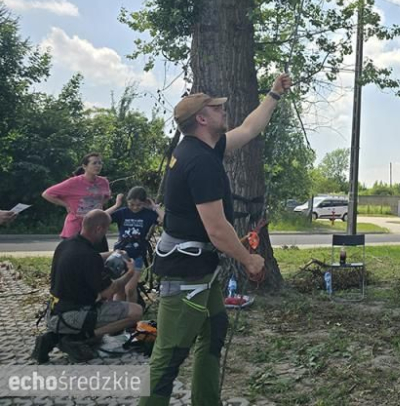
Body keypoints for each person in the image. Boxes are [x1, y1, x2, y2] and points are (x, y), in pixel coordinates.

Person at [140, 74, 292, 406]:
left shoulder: (203, 149)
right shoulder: (199, 162)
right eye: (217, 107)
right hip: (186, 272)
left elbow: (251, 129)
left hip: (200, 270)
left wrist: (274, 94)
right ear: (202, 118)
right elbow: (218, 229)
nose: (225, 111)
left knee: (213, 332)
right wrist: (249, 259)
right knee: (169, 355)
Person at [31, 210, 143, 363]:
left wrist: (113, 252)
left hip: (53, 312)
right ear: (99, 229)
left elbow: (90, 258)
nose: (105, 233)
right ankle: (81, 338)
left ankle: (54, 337)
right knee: (136, 312)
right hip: (73, 315)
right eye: (105, 229)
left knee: (97, 302)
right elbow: (108, 291)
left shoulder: (66, 244)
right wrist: (130, 273)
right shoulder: (88, 257)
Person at [42, 153, 123, 251]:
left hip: (95, 228)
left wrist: (98, 207)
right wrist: (66, 205)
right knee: (76, 260)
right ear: (85, 166)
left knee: (98, 260)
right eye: (94, 163)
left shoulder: (103, 182)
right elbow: (47, 194)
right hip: (76, 228)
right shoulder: (73, 182)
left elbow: (106, 197)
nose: (98, 166)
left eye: (100, 163)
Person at [108, 185, 162, 303]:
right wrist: (116, 205)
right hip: (120, 254)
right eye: (131, 204)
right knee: (119, 289)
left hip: (137, 255)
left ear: (144, 203)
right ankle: (120, 313)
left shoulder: (148, 214)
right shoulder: (123, 213)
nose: (135, 208)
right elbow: (101, 217)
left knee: (130, 289)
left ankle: (133, 312)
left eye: (139, 205)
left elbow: (165, 220)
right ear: (127, 201)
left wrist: (154, 207)